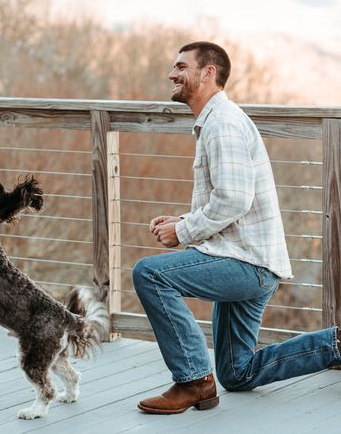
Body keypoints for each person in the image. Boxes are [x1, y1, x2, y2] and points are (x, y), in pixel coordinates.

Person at [132, 41, 341, 415]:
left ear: (208, 73)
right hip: (242, 257)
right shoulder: (215, 121)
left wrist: (183, 233)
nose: (172, 74)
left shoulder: (223, 124)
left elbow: (233, 200)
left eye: (182, 66)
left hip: (247, 264)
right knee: (238, 373)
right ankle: (336, 344)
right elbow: (229, 202)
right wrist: (183, 220)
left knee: (150, 274)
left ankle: (194, 381)